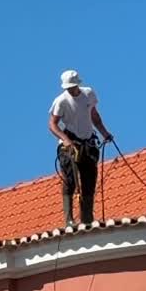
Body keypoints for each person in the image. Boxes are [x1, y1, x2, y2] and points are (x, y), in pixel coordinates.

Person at [48, 69, 112, 227]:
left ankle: (87, 218)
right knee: (70, 180)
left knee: (89, 180)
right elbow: (52, 124)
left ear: (78, 84)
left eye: (73, 87)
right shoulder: (61, 101)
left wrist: (104, 133)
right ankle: (69, 219)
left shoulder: (88, 94)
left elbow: (94, 116)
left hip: (88, 143)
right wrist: (65, 140)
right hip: (70, 144)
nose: (71, 90)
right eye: (68, 88)